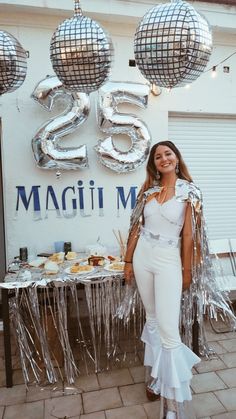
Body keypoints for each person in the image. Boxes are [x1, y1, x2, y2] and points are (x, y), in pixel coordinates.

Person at [124, 140, 202, 419]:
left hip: (169, 258)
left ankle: (172, 405)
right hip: (144, 255)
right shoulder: (148, 192)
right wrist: (128, 260)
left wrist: (187, 270)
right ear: (153, 164)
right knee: (153, 320)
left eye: (168, 154)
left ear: (177, 158)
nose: (163, 159)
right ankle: (156, 378)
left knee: (170, 330)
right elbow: (136, 227)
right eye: (158, 156)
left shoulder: (189, 192)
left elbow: (190, 236)